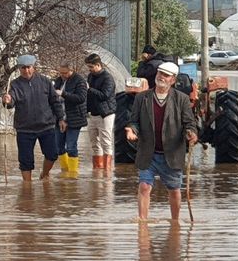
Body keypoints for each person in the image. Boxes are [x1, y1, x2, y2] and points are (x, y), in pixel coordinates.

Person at [125, 62, 197, 223]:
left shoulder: (182, 99)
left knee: (174, 190)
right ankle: (142, 223)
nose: (161, 77)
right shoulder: (142, 98)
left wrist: (191, 134)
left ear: (173, 79)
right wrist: (131, 130)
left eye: (166, 75)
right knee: (144, 186)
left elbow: (189, 124)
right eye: (160, 73)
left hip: (171, 154)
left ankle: (175, 222)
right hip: (148, 153)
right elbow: (134, 121)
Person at [3, 55, 66, 181]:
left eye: (29, 67)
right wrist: (8, 100)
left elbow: (55, 101)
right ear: (19, 69)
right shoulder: (15, 84)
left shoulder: (45, 81)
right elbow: (11, 102)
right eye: (23, 68)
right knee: (25, 161)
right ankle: (27, 187)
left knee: (52, 154)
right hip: (24, 128)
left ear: (34, 67)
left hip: (46, 126)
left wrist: (61, 119)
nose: (26, 71)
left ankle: (45, 173)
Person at [53, 62, 87, 178]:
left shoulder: (80, 80)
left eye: (65, 73)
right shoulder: (58, 81)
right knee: (59, 146)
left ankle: (73, 173)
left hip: (75, 118)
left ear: (72, 70)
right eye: (61, 73)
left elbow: (81, 98)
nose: (63, 75)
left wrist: (63, 94)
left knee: (71, 146)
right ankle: (64, 170)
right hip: (60, 117)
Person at [84, 53, 116, 169]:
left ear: (98, 65)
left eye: (91, 67)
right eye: (88, 67)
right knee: (94, 143)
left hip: (105, 114)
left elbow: (105, 95)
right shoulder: (90, 76)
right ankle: (97, 169)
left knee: (106, 142)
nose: (90, 69)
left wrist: (89, 89)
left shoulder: (108, 78)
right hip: (93, 114)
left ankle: (107, 171)